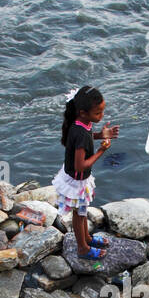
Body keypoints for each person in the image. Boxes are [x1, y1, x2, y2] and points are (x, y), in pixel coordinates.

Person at [53, 86, 119, 260]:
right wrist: (101, 151)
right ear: (83, 112)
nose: (101, 116)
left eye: (102, 111)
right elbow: (81, 165)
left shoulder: (82, 123)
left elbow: (87, 136)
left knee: (82, 212)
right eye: (98, 113)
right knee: (79, 214)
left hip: (78, 179)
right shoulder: (80, 131)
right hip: (76, 181)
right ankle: (82, 248)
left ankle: (87, 238)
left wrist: (101, 134)